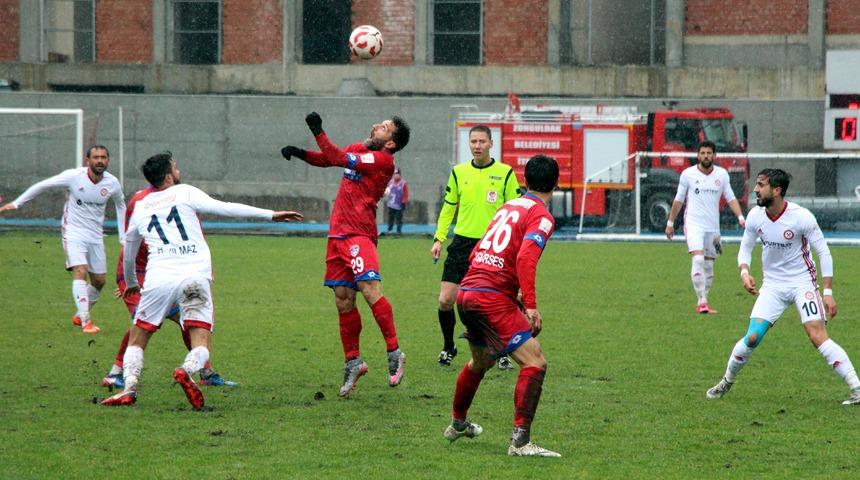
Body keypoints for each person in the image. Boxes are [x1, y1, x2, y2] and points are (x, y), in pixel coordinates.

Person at [101, 152, 302, 408]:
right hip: (194, 275)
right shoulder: (184, 192)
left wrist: (130, 282)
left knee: (138, 337)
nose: (178, 169)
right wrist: (271, 215)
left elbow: (129, 248)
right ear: (167, 176)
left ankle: (129, 387)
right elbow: (226, 208)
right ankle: (187, 369)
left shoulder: (141, 206)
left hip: (158, 278)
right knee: (201, 339)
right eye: (175, 166)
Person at [280, 112, 410, 397]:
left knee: (369, 289)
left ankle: (394, 352)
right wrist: (301, 153)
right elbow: (329, 157)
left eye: (384, 127)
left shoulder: (382, 161)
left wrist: (318, 130)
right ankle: (354, 361)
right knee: (342, 299)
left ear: (390, 143)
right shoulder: (360, 149)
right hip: (337, 234)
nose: (375, 125)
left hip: (358, 234)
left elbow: (339, 158)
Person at [706, 169, 860, 405]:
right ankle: (726, 381)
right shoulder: (756, 216)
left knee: (817, 336)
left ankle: (857, 388)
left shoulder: (801, 217)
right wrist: (744, 272)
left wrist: (827, 292)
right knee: (752, 338)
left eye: (761, 185)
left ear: (776, 191)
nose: (756, 189)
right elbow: (745, 247)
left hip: (803, 283)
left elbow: (823, 252)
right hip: (773, 286)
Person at [444, 154, 561, 458]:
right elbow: (524, 257)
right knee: (535, 362)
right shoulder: (542, 215)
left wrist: (514, 294)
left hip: (468, 291)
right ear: (556, 184)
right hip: (490, 297)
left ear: (524, 181)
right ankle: (521, 443)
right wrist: (531, 306)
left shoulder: (507, 206)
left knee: (481, 362)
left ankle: (457, 422)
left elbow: (479, 252)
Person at [101, 184, 236, 390]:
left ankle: (205, 372)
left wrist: (203, 266)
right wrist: (130, 282)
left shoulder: (181, 197)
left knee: (187, 321)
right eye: (174, 167)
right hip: (140, 274)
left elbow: (195, 235)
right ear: (167, 175)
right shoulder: (141, 201)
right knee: (143, 324)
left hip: (168, 272)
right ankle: (115, 373)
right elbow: (129, 241)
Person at [0, 145, 125, 334]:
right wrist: (17, 203)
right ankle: (85, 321)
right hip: (73, 232)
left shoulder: (112, 183)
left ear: (108, 160)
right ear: (87, 160)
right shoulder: (74, 176)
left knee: (99, 281)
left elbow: (121, 206)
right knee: (80, 270)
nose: (100, 161)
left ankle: (79, 314)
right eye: (96, 157)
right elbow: (43, 185)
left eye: (103, 157)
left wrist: (123, 238)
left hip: (95, 235)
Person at [431, 125, 520, 368]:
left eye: (482, 141)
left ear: (491, 143)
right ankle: (449, 347)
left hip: (493, 245)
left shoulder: (506, 173)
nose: (477, 145)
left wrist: (514, 244)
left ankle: (501, 350)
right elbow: (449, 207)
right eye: (473, 141)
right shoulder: (459, 172)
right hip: (462, 244)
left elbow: (516, 211)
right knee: (445, 300)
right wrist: (439, 238)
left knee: (494, 303)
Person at [665, 141, 745, 314]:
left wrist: (740, 217)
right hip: (693, 224)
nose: (706, 156)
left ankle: (705, 299)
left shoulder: (722, 175)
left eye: (709, 153)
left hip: (713, 227)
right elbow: (679, 200)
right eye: (703, 153)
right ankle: (701, 301)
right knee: (698, 259)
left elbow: (730, 197)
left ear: (714, 156)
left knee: (709, 265)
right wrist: (670, 223)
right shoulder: (688, 174)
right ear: (698, 155)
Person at [383, 167, 409, 235]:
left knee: (399, 219)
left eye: (397, 174)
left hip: (399, 205)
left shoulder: (403, 183)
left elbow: (406, 193)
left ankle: (398, 231)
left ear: (400, 175)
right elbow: (387, 190)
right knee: (390, 218)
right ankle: (390, 230)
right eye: (394, 174)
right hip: (391, 204)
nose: (396, 176)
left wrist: (404, 202)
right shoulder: (390, 182)